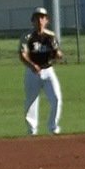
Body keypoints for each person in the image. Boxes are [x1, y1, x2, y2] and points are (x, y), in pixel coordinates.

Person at [19, 7, 63, 136]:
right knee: (31, 101)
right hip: (32, 72)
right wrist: (32, 65)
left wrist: (59, 55)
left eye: (42, 17)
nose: (40, 20)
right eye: (37, 17)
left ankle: (53, 127)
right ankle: (32, 130)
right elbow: (23, 55)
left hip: (48, 70)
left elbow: (56, 52)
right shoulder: (27, 37)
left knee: (56, 98)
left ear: (47, 20)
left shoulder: (50, 36)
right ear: (32, 20)